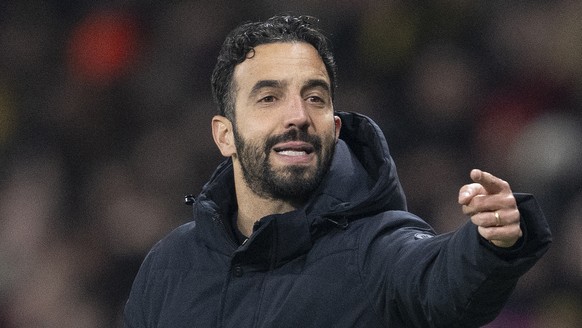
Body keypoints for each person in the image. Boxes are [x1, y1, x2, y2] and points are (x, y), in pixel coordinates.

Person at [124, 15, 551, 327]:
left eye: (315, 97)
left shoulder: (377, 249)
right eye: (269, 98)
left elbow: (440, 282)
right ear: (225, 135)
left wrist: (490, 245)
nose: (298, 116)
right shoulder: (168, 266)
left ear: (335, 126)